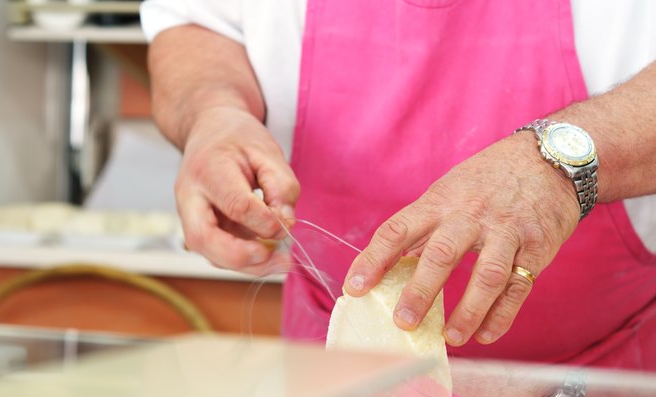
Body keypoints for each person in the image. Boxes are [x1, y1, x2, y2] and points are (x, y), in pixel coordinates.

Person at [141, 0, 656, 371]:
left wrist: (559, 162)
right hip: (338, 387)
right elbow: (197, 24)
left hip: (601, 396)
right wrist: (213, 112)